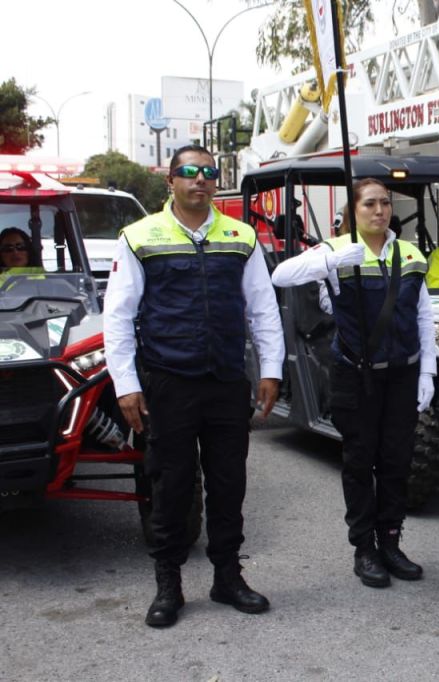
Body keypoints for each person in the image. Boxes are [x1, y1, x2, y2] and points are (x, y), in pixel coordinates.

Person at [103, 145, 285, 628]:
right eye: (188, 171)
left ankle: (228, 578)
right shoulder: (139, 237)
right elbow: (117, 316)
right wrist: (126, 385)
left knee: (229, 484)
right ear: (171, 181)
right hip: (169, 383)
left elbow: (263, 307)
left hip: (225, 381)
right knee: (171, 486)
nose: (200, 179)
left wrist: (271, 370)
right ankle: (169, 584)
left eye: (208, 172)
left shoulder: (241, 236)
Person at [271, 178, 436, 589]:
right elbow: (281, 275)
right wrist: (329, 261)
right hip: (355, 374)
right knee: (360, 463)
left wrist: (428, 371)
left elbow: (422, 317)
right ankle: (364, 549)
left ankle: (391, 542)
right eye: (369, 204)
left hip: (402, 373)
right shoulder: (336, 250)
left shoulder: (411, 254)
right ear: (353, 211)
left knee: (396, 462)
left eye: (385, 203)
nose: (379, 211)